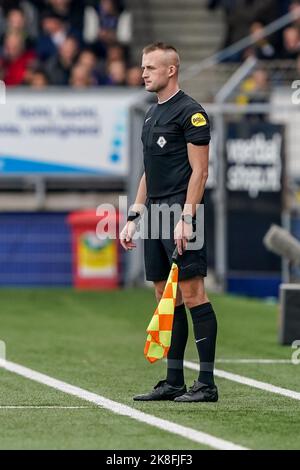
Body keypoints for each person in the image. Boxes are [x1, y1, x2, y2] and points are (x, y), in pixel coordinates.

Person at [120, 42, 218, 403]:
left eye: (150, 67)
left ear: (171, 70)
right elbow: (149, 171)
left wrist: (187, 217)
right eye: (143, 67)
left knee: (192, 294)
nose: (143, 73)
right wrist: (134, 214)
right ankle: (174, 380)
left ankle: (206, 384)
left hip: (181, 211)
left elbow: (201, 171)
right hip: (156, 214)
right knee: (165, 296)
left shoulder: (191, 113)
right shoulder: (150, 114)